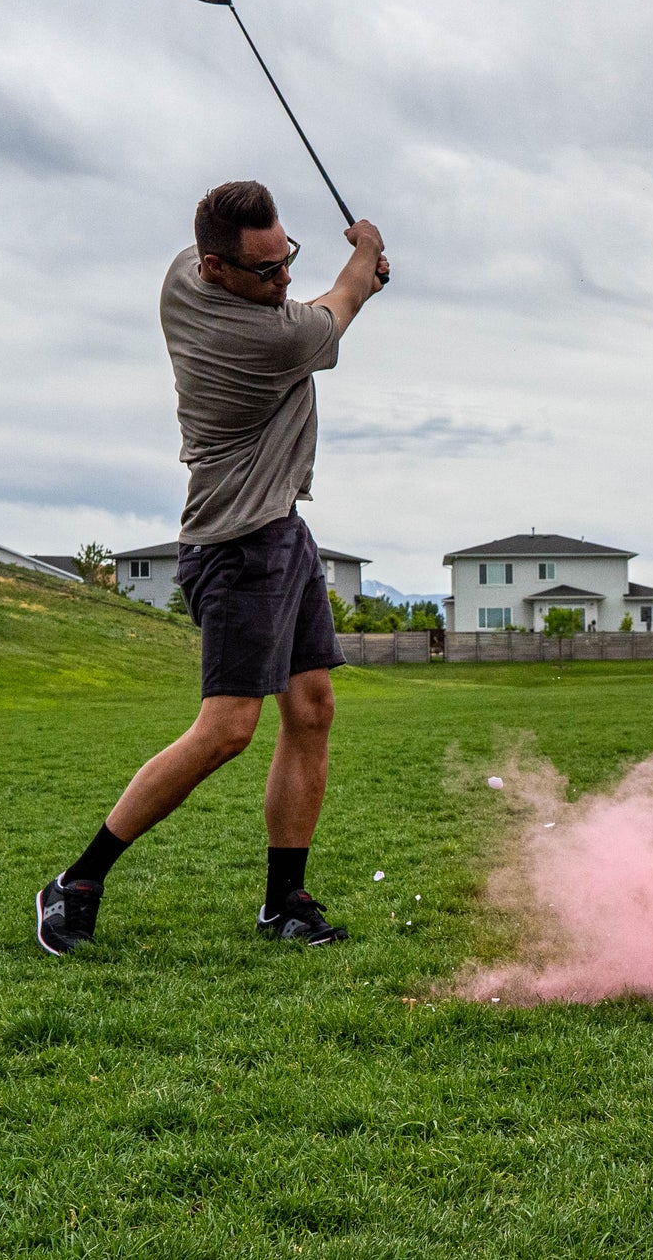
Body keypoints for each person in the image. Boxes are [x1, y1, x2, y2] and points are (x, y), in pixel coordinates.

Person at [35, 180, 388, 955]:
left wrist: (348, 270)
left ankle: (283, 900)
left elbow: (326, 294)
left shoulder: (179, 277)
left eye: (285, 256)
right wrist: (363, 251)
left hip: (283, 532)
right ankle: (77, 880)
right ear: (216, 269)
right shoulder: (269, 338)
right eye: (265, 272)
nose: (284, 278)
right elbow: (347, 300)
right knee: (227, 729)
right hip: (234, 548)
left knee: (312, 708)